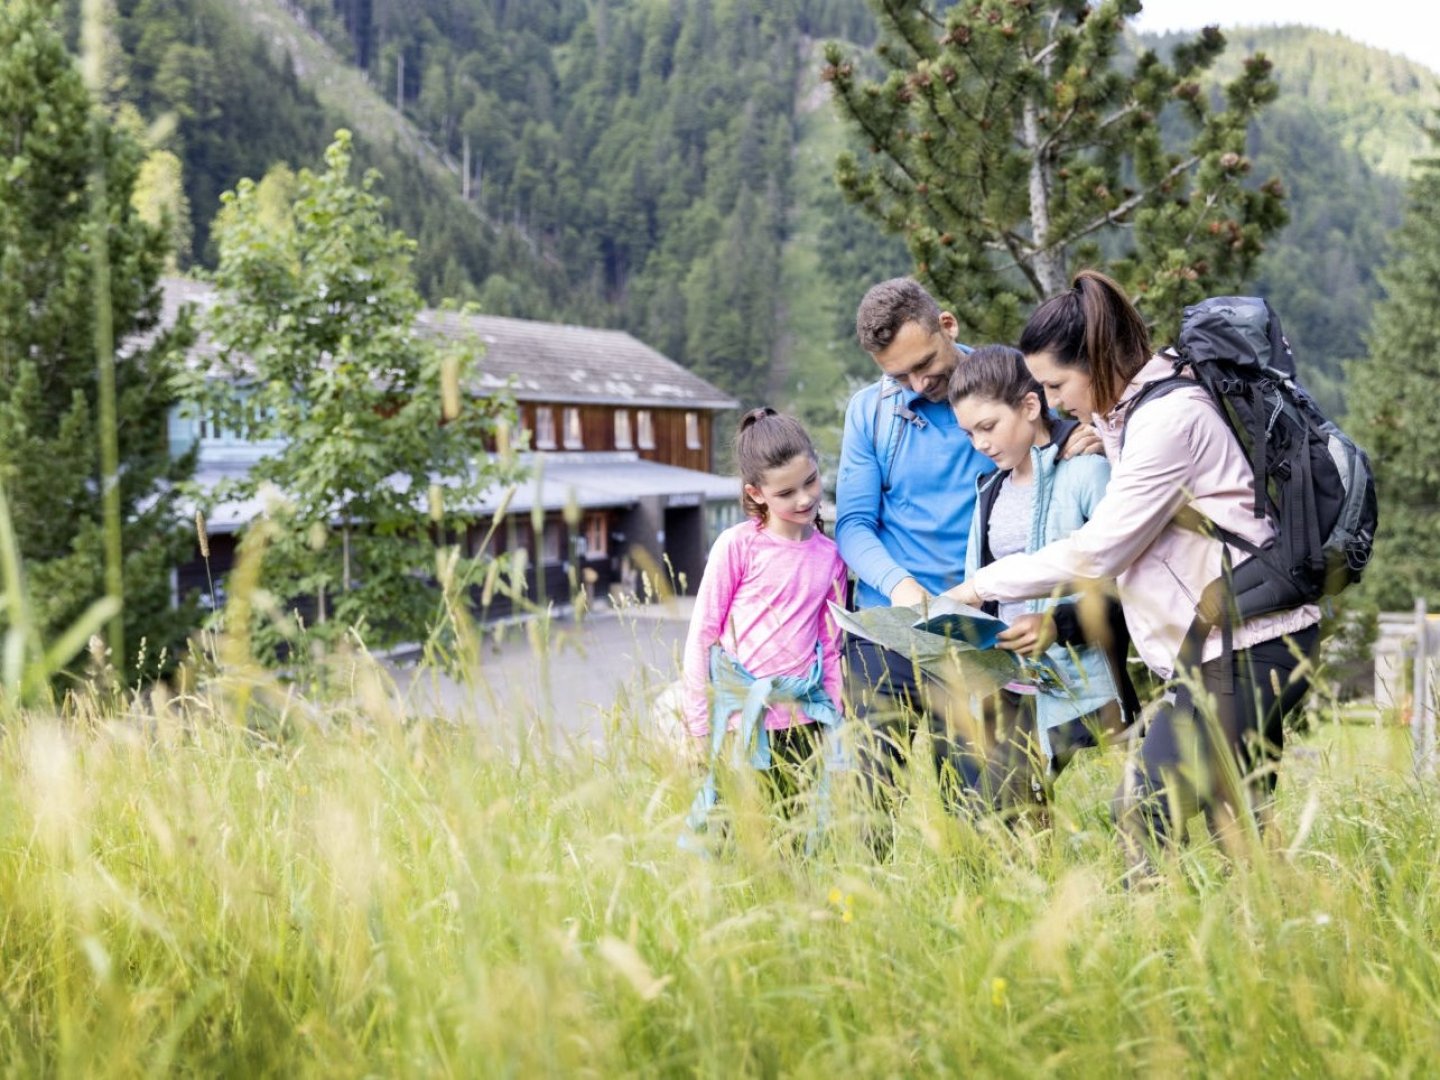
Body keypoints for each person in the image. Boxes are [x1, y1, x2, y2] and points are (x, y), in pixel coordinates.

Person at [945, 270, 1321, 874]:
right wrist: (1102, 431)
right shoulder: (1142, 410)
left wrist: (980, 585)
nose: (1056, 401)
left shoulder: (1167, 419)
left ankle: (1148, 954)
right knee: (1241, 833)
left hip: (1245, 649)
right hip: (1240, 643)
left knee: (1143, 814)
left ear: (1094, 358)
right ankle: (1279, 950)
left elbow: (1099, 551)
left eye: (1058, 383)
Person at [835, 278, 1100, 815]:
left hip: (981, 637)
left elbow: (1045, 427)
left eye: (925, 363)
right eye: (898, 375)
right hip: (889, 631)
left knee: (992, 810)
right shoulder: (870, 413)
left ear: (947, 325)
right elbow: (854, 525)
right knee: (865, 805)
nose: (916, 382)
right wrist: (902, 587)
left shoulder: (1002, 387)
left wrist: (1073, 433)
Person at [950, 345, 1138, 813]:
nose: (980, 444)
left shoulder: (1087, 471)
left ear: (1030, 406)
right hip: (1007, 684)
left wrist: (1057, 624)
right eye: (969, 433)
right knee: (1007, 818)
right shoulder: (989, 491)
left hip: (1084, 688)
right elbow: (981, 587)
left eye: (988, 427)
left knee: (1104, 815)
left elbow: (1127, 582)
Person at [681, 408, 849, 835]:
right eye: (786, 492)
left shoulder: (829, 555)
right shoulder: (738, 547)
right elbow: (703, 637)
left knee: (799, 836)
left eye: (810, 481)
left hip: (805, 723)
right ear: (756, 493)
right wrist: (698, 727)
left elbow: (829, 646)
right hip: (742, 726)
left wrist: (837, 713)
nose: (805, 499)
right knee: (743, 840)